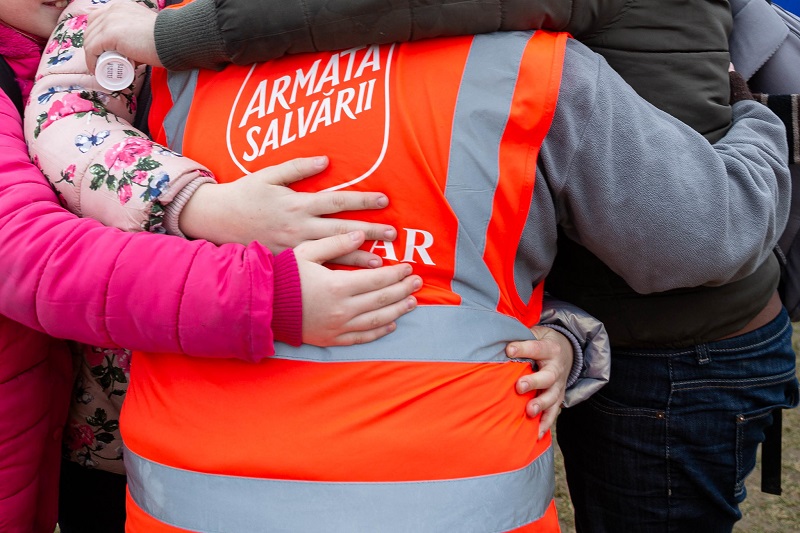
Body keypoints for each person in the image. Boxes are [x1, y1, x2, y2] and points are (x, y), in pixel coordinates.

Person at [27, 0, 791, 530]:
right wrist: (759, 119)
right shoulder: (520, 63)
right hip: (452, 495)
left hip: (186, 492)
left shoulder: (172, 61)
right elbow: (702, 236)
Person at [0, 2, 432, 531]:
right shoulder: (114, 7)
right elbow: (67, 117)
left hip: (372, 396)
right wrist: (198, 204)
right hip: (137, 398)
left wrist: (549, 323)